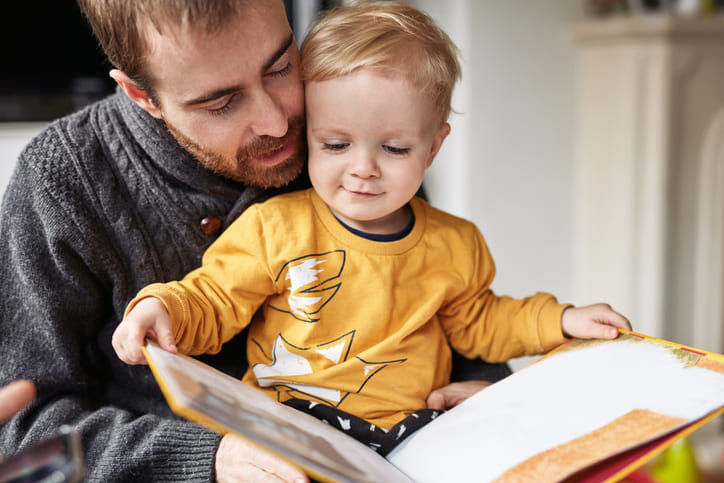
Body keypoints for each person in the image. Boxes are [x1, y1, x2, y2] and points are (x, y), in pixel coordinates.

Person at [0, 1, 503, 481]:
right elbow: (22, 435)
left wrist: (488, 392)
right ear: (141, 95)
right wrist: (206, 460)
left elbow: (446, 301)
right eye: (221, 103)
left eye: (280, 66)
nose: (278, 122)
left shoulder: (354, 129)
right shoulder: (60, 181)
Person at [112, 0, 632, 458]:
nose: (363, 168)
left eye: (395, 148)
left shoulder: (455, 244)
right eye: (335, 145)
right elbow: (214, 300)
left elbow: (481, 321)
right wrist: (163, 309)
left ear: (433, 147)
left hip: (413, 435)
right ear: (309, 129)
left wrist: (562, 320)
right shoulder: (275, 226)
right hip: (292, 428)